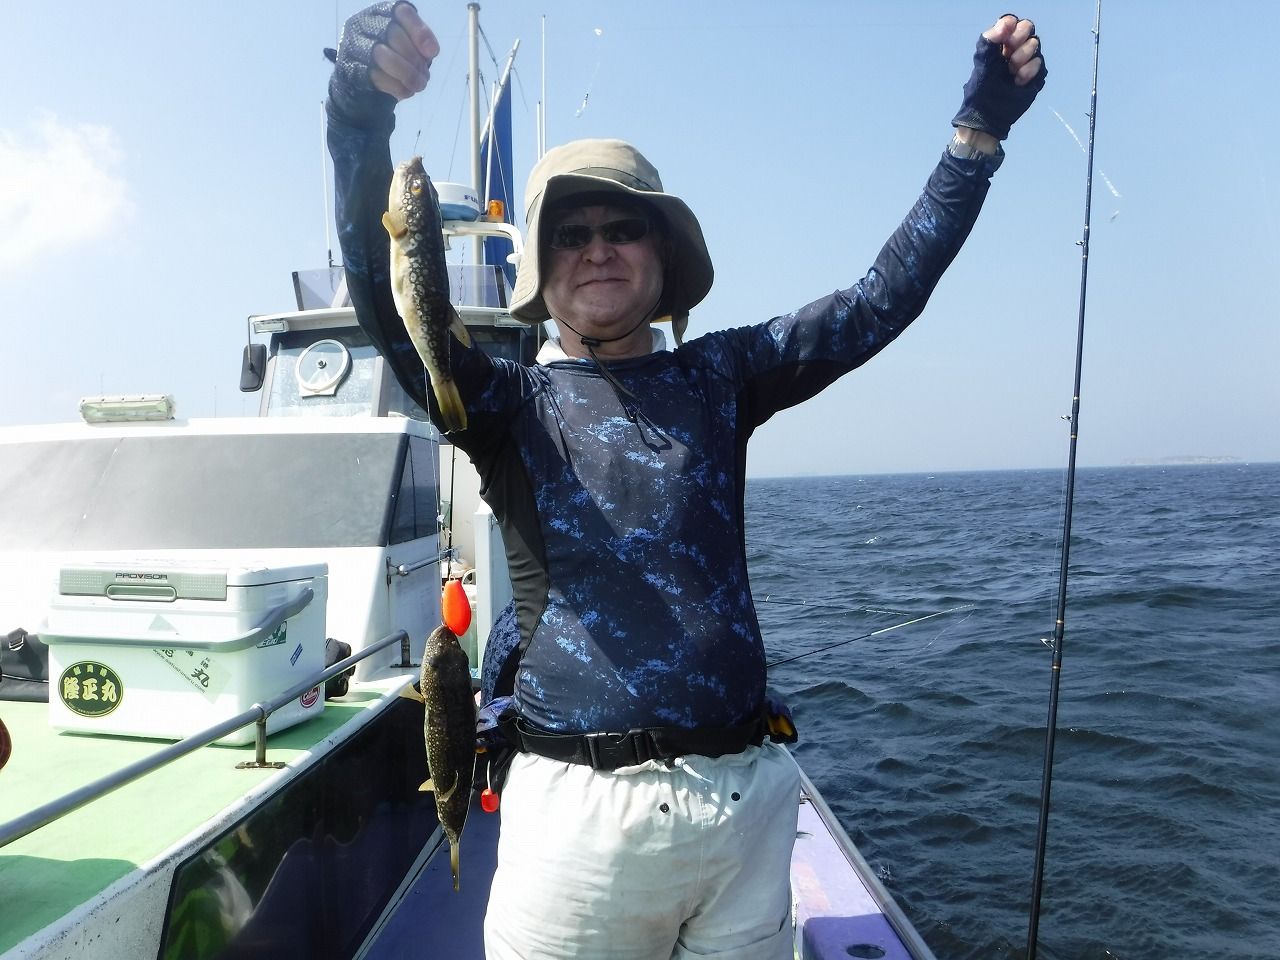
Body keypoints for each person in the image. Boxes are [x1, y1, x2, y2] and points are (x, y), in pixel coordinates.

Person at [325, 5, 1045, 958]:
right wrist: (358, 112)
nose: (597, 247)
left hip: (745, 806)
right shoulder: (502, 403)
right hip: (576, 824)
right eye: (570, 232)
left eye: (624, 227)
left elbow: (880, 300)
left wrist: (976, 137)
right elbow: (390, 301)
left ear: (664, 258)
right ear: (542, 264)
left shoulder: (724, 375)